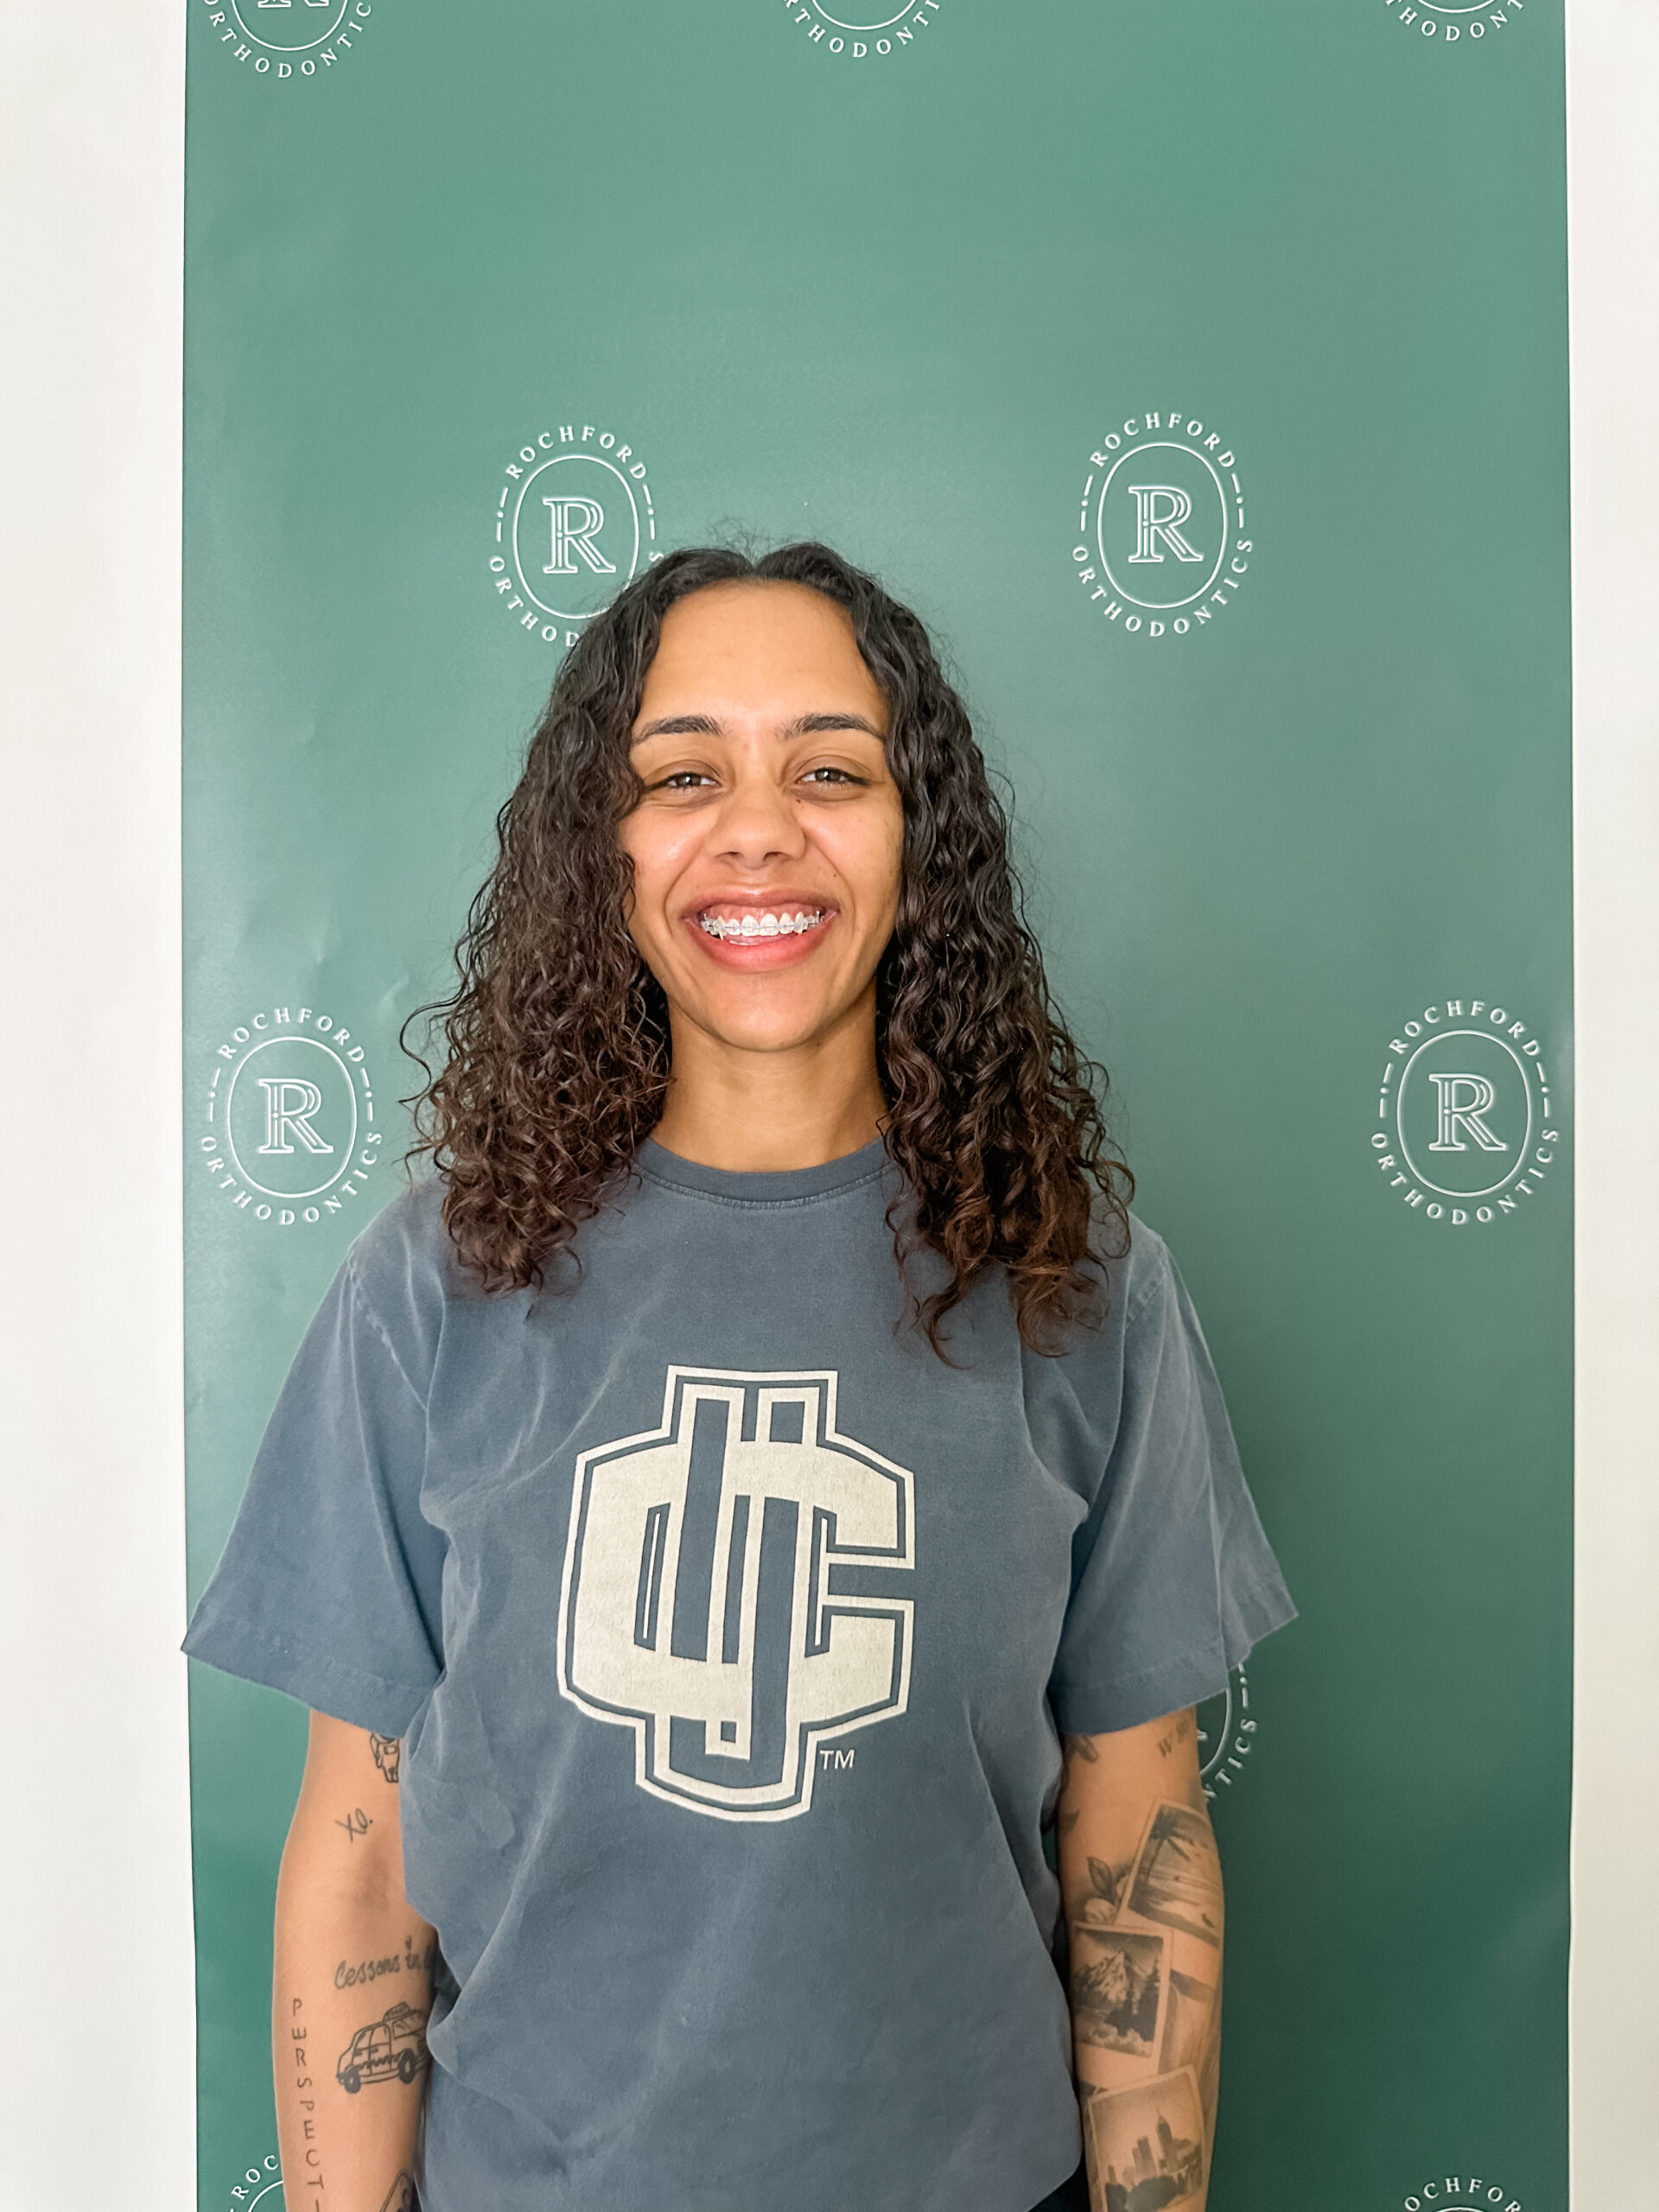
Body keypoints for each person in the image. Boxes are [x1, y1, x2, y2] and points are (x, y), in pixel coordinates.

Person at [181, 542, 1296, 2212]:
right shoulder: (436, 1283)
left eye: (832, 771)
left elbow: (1138, 1835)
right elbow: (359, 1852)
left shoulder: (1084, 1288)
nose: (758, 827)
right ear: (605, 851)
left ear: (922, 845)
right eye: (683, 773)